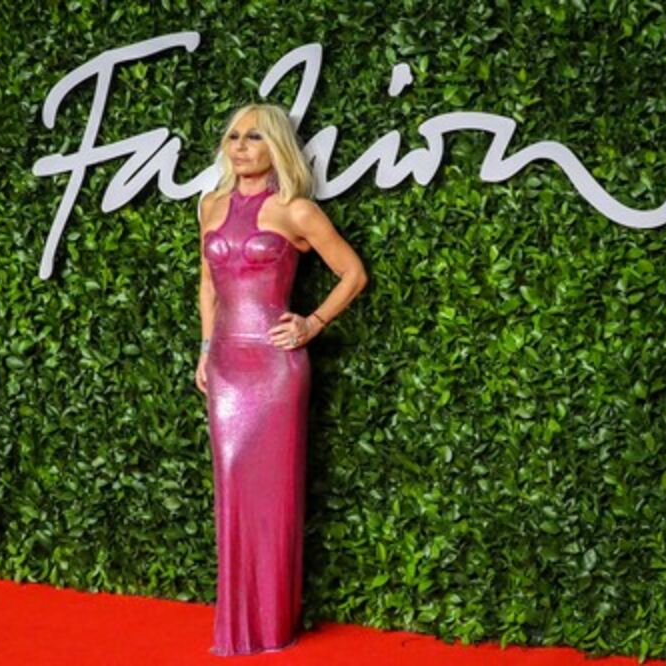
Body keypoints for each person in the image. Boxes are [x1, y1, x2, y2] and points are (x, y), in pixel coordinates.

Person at [195, 102, 369, 656]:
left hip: (275, 371)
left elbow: (353, 273)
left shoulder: (296, 210)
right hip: (226, 366)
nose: (240, 147)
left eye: (254, 137)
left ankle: (271, 625)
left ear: (276, 147)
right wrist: (205, 350)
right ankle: (238, 621)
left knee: (272, 498)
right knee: (231, 489)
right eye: (233, 137)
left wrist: (312, 323)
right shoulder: (210, 204)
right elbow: (208, 284)